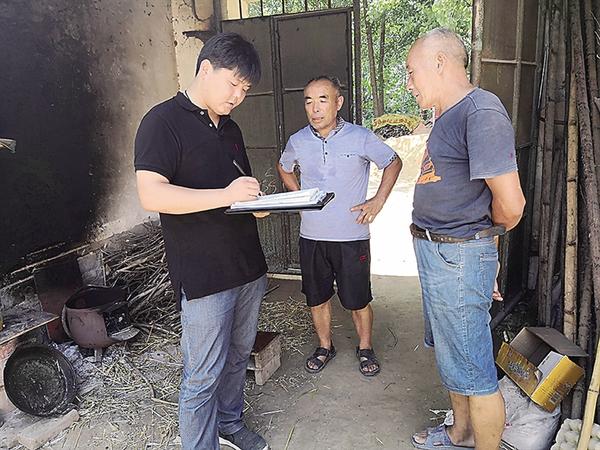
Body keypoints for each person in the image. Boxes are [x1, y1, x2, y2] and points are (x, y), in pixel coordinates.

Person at [134, 32, 270, 450]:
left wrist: (258, 203)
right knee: (202, 374)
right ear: (206, 68)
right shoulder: (161, 122)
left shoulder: (230, 128)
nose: (238, 96)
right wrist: (226, 196)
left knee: (237, 357)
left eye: (245, 90)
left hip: (247, 265)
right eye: (233, 84)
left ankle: (230, 422)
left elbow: (236, 189)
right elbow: (152, 194)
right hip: (204, 274)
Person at [406, 28, 526, 449]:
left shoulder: (481, 112)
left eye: (411, 71)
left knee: (474, 369)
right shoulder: (447, 115)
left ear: (439, 62)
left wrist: (481, 249)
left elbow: (510, 205)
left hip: (457, 256)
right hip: (441, 252)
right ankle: (460, 433)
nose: (409, 83)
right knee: (452, 352)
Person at [277, 75, 402, 377]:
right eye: (309, 101)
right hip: (312, 236)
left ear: (338, 103)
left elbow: (393, 161)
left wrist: (378, 201)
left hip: (351, 236)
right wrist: (300, 197)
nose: (315, 108)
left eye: (322, 100)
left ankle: (365, 347)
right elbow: (284, 167)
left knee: (358, 299)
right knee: (317, 297)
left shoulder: (360, 137)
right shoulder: (298, 140)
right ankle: (325, 346)